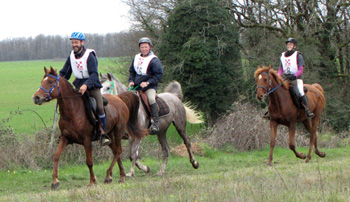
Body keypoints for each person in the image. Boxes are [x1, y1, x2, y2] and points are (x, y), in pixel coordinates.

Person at [59, 32, 110, 146]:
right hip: (78, 86)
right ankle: (67, 131)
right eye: (72, 42)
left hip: (92, 85)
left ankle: (102, 132)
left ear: (82, 42)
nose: (74, 44)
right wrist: (58, 81)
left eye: (76, 42)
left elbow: (94, 74)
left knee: (100, 107)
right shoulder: (71, 56)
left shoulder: (89, 55)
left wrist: (86, 85)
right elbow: (65, 73)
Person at [128, 37, 164, 133]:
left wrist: (148, 82)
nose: (144, 49)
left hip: (150, 87)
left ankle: (155, 123)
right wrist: (131, 80)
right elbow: (132, 71)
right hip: (136, 86)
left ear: (150, 47)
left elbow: (159, 75)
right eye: (142, 47)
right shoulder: (136, 58)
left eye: (146, 47)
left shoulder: (154, 60)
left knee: (151, 99)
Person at [278, 38, 314, 118]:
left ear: (294, 46)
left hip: (296, 78)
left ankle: (307, 110)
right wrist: (278, 77)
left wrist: (294, 76)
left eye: (290, 44)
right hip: (286, 78)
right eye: (288, 44)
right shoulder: (283, 56)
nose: (289, 46)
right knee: (277, 90)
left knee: (300, 92)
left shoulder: (298, 55)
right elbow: (280, 69)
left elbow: (301, 70)